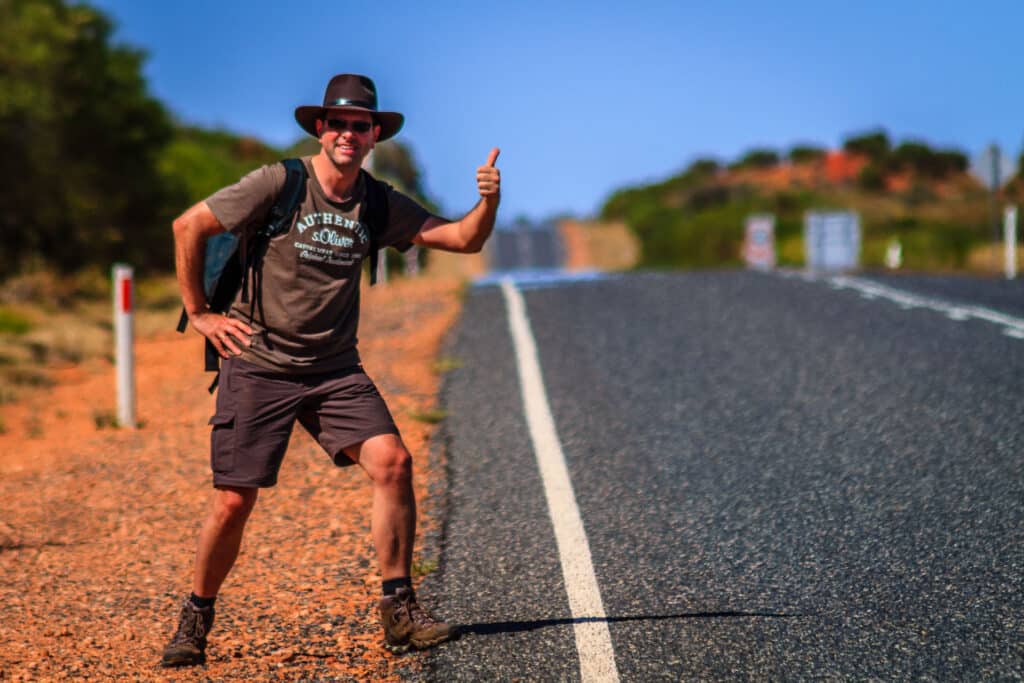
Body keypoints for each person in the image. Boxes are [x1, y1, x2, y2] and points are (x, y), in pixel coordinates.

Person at [161, 73, 500, 667]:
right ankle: (196, 616)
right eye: (338, 123)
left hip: (334, 370)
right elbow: (188, 225)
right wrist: (201, 313)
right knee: (234, 502)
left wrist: (489, 200)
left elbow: (463, 240)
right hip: (259, 364)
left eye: (360, 125)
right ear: (321, 129)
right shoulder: (280, 182)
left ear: (374, 136)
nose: (348, 133)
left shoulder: (377, 201)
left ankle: (399, 611)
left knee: (393, 463)